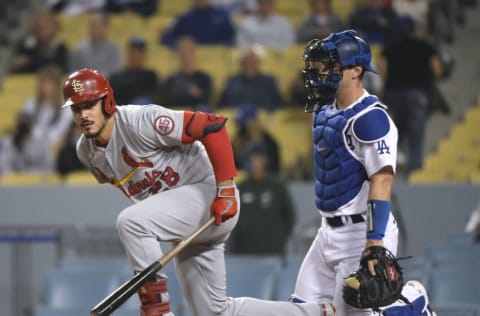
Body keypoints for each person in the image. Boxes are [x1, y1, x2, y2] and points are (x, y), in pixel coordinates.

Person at [61, 67, 335, 316]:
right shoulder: (87, 153)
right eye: (76, 109)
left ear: (107, 101)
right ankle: (320, 313)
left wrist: (226, 189)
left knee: (131, 222)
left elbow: (212, 125)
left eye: (89, 105)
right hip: (187, 216)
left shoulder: (138, 121)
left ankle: (155, 310)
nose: (84, 114)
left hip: (208, 194)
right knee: (215, 312)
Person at [291, 30, 437, 315]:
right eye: (323, 66)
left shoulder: (371, 118)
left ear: (356, 70)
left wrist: (374, 241)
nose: (323, 73)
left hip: (360, 233)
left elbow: (381, 180)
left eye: (333, 66)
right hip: (327, 231)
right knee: (302, 309)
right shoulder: (325, 109)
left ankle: (413, 302)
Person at [379, 16, 444, 176]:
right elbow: (437, 71)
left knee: (393, 134)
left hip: (393, 95)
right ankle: (414, 174)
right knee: (416, 137)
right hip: (417, 95)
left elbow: (382, 71)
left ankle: (390, 171)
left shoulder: (389, 47)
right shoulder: (426, 47)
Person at [229, 143, 295, 256]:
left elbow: (290, 215)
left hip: (273, 251)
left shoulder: (276, 186)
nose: (254, 164)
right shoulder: (241, 188)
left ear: (265, 161)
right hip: (245, 252)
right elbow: (233, 219)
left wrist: (279, 237)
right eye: (251, 160)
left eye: (257, 159)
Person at [21, 65, 72, 148]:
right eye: (43, 83)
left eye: (50, 83)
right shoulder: (30, 104)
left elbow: (63, 131)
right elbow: (25, 130)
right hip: (32, 147)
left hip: (56, 146)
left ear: (57, 86)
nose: (46, 87)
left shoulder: (66, 108)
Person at [218, 45, 283, 110]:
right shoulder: (232, 81)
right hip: (235, 118)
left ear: (258, 62)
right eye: (246, 60)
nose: (249, 63)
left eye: (253, 61)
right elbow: (222, 106)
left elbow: (279, 105)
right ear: (241, 62)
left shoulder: (269, 81)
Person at [160, 0, 236, 48]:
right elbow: (166, 36)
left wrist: (226, 44)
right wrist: (178, 45)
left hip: (217, 56)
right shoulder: (185, 17)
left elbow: (232, 37)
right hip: (193, 56)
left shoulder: (221, 15)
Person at [163, 36, 213, 108]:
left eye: (189, 50)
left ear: (194, 51)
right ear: (178, 53)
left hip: (197, 113)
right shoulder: (171, 79)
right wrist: (191, 94)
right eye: (183, 51)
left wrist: (182, 94)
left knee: (203, 109)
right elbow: (169, 100)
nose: (186, 54)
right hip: (176, 113)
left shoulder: (204, 78)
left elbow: (205, 100)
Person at [109, 36, 160, 105]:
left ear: (145, 55)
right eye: (133, 52)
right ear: (128, 54)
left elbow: (159, 100)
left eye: (139, 52)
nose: (136, 56)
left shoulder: (151, 77)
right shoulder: (116, 78)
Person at [69, 13, 122, 77]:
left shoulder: (114, 49)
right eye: (93, 26)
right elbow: (74, 73)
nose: (96, 30)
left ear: (106, 28)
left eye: (99, 27)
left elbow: (116, 72)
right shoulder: (79, 50)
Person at [231, 103, 280, 174]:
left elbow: (273, 167)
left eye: (244, 126)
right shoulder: (237, 141)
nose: (241, 130)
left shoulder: (268, 142)